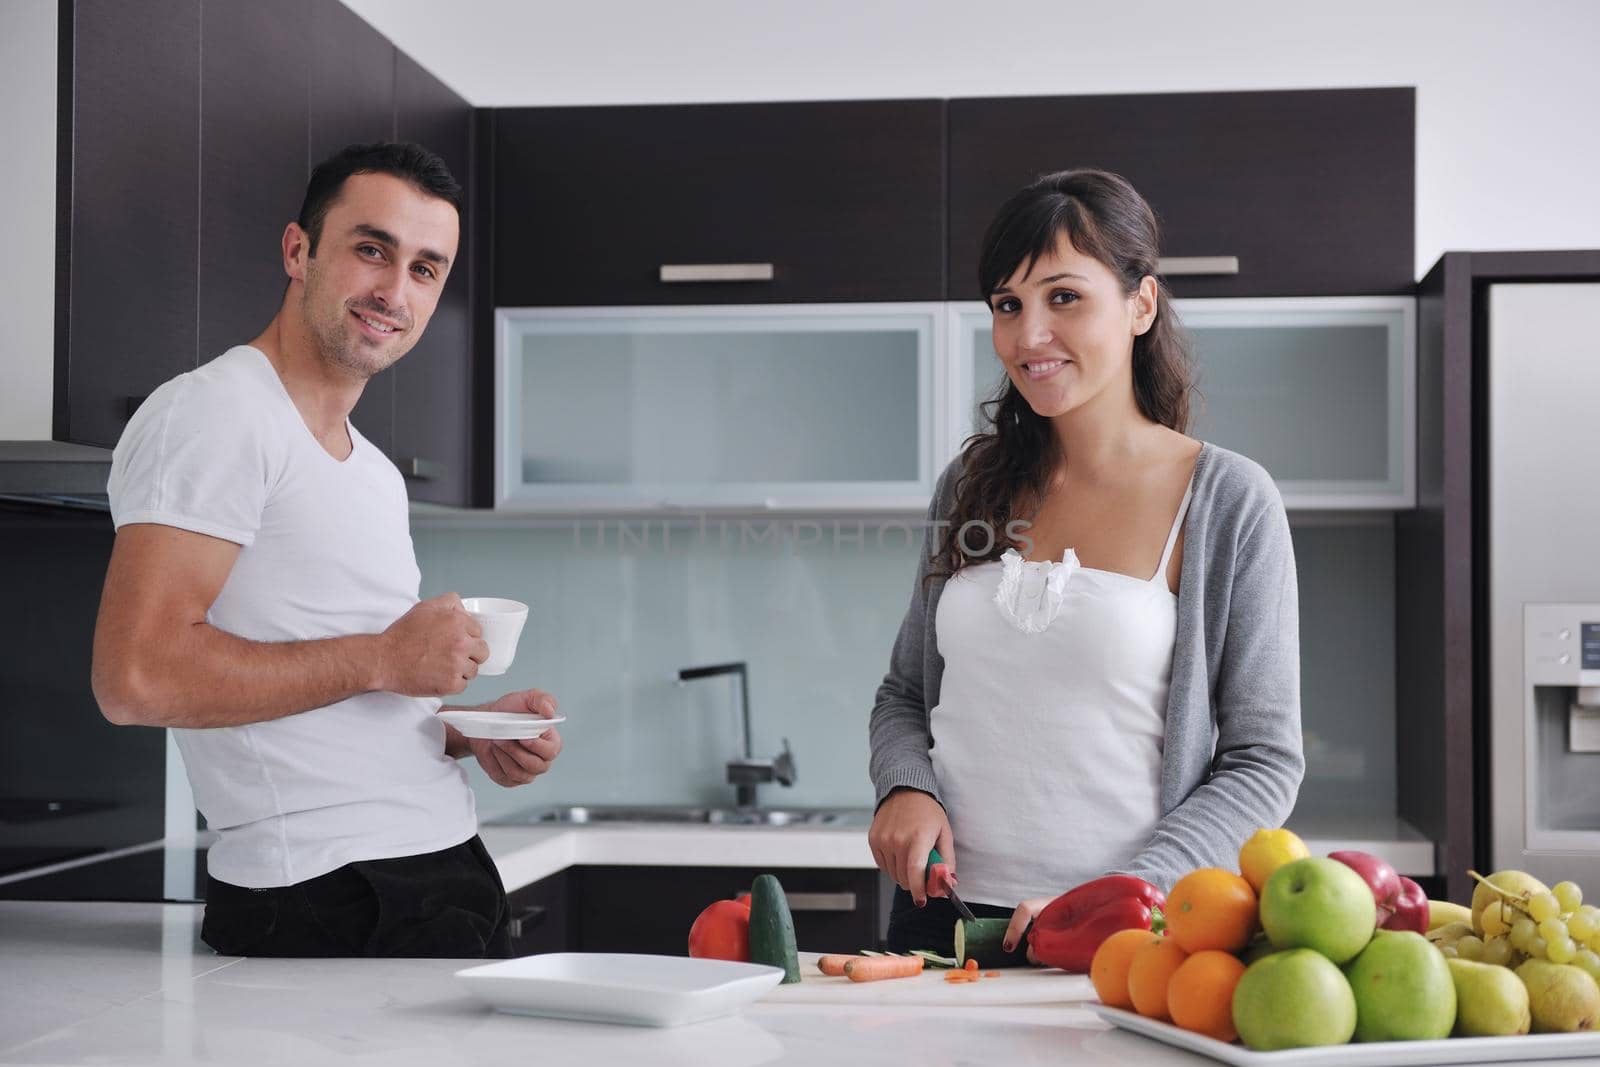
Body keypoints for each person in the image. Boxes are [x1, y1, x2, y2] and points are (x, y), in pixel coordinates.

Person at [91, 143, 563, 959]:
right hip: (324, 892)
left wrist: (462, 732)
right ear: (298, 250)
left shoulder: (372, 470)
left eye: (425, 269)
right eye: (371, 249)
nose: (394, 291)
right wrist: (386, 655)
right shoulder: (213, 415)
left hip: (436, 869)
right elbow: (137, 677)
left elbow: (343, 699)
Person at [867, 169, 1303, 957]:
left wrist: (1131, 893)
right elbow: (905, 693)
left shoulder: (1228, 498)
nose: (1029, 335)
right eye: (1008, 305)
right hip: (938, 923)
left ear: (1141, 303)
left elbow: (1262, 760)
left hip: (1126, 935)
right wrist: (905, 784)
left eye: (1063, 297)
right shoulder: (970, 487)